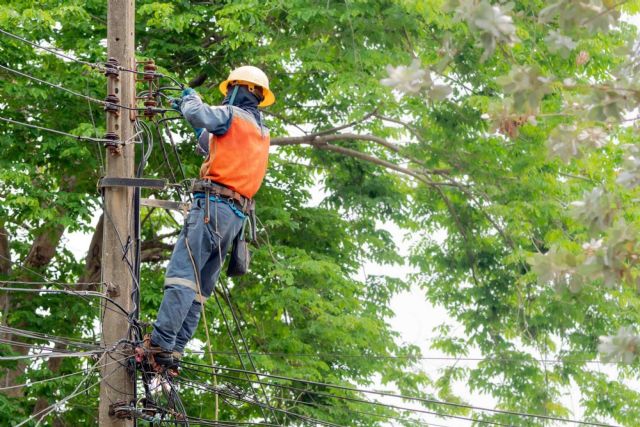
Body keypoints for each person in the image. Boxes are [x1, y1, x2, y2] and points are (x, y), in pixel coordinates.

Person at [146, 66, 275, 369]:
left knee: (182, 274)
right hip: (234, 219)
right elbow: (215, 142)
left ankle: (160, 344)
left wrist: (190, 101)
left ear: (239, 89)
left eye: (230, 89)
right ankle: (173, 352)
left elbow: (199, 114)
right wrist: (197, 126)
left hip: (211, 208)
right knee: (200, 288)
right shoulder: (260, 131)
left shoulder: (231, 114)